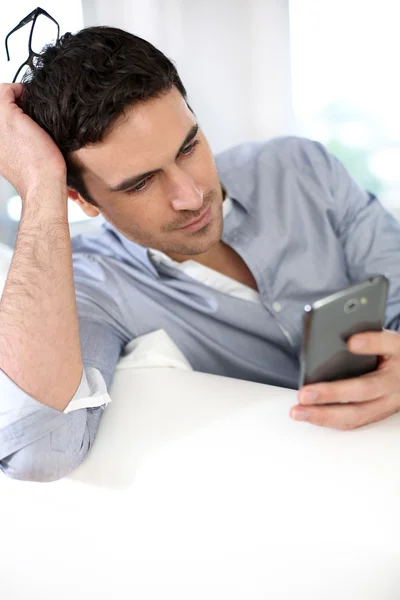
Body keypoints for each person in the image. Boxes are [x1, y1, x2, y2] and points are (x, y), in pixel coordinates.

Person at [0, 27, 399, 483]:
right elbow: (40, 453)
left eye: (188, 147)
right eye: (140, 183)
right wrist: (38, 185)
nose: (191, 196)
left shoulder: (298, 168)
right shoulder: (92, 287)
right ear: (82, 199)